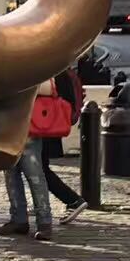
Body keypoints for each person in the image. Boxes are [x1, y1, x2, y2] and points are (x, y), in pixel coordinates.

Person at [0, 80, 58, 242]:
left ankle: (44, 222)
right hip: (9, 124)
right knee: (11, 173)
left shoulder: (34, 67)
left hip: (29, 124)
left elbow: (50, 87)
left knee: (34, 174)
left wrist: (12, 85)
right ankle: (19, 219)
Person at [42, 69, 88, 226]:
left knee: (39, 169)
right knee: (38, 168)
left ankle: (72, 199)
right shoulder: (62, 70)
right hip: (48, 123)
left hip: (43, 125)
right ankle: (44, 203)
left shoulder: (55, 71)